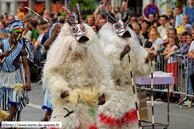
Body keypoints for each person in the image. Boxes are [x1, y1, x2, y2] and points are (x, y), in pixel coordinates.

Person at [43, 5, 113, 129]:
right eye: (78, 40)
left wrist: (103, 92)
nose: (80, 44)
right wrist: (60, 88)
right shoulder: (62, 54)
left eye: (83, 40)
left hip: (86, 101)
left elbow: (100, 73)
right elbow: (52, 72)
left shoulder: (92, 54)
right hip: (67, 101)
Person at [97, 7, 154, 128]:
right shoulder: (105, 46)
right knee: (110, 120)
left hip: (127, 89)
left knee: (128, 121)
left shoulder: (134, 46)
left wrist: (147, 59)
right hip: (113, 89)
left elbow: (139, 68)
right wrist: (122, 54)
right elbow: (107, 68)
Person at [0, 20, 31, 123]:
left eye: (20, 32)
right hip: (2, 76)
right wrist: (2, 54)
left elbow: (26, 66)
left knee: (14, 100)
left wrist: (28, 82)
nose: (18, 35)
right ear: (11, 32)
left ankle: (9, 122)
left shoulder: (22, 49)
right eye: (16, 32)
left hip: (15, 77)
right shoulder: (2, 45)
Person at [164, 36, 179, 102]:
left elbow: (170, 52)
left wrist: (167, 49)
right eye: (170, 42)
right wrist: (167, 51)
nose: (171, 43)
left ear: (175, 42)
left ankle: (173, 96)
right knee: (169, 78)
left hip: (174, 63)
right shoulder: (169, 47)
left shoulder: (175, 47)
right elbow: (165, 52)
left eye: (172, 41)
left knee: (173, 79)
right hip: (169, 63)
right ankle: (169, 96)